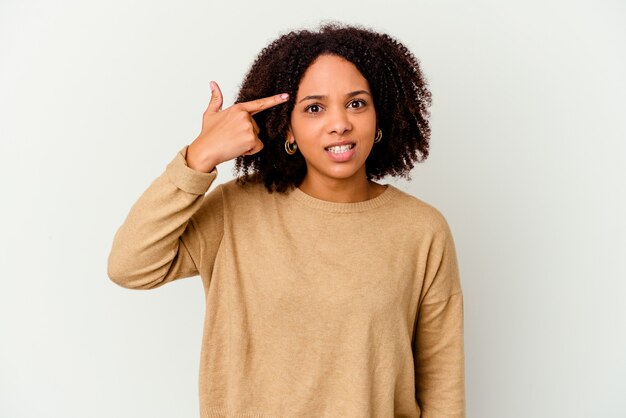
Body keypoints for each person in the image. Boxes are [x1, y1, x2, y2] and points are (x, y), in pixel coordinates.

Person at [108, 22, 465, 418]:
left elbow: (441, 385)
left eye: (357, 103)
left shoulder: (421, 229)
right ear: (288, 130)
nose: (339, 123)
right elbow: (130, 266)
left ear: (380, 118)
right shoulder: (235, 210)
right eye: (314, 108)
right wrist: (200, 156)